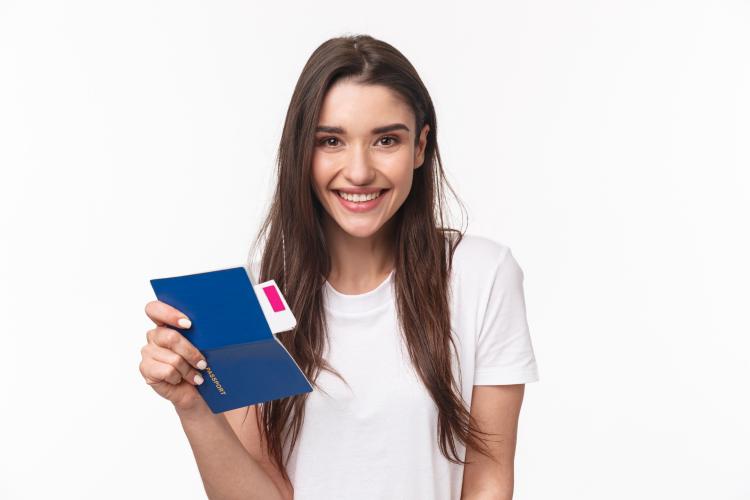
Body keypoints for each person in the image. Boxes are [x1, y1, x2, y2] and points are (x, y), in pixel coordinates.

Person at [139, 34, 539, 500]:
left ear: (420, 146)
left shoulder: (482, 275)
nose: (359, 171)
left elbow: (489, 478)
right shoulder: (247, 300)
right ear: (301, 153)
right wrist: (192, 404)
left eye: (386, 140)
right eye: (331, 141)